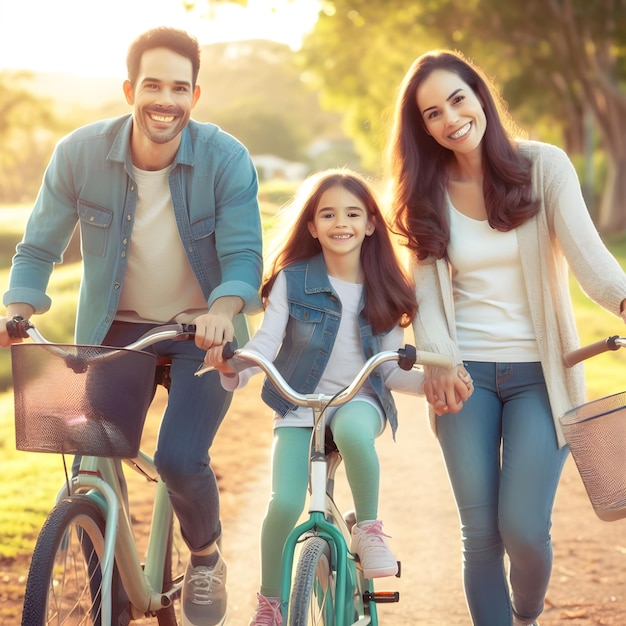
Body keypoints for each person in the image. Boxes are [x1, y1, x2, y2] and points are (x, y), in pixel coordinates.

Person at [0, 27, 263, 626]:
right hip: (116, 330)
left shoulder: (226, 158)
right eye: (152, 85)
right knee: (91, 448)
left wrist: (223, 311)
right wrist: (19, 310)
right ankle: (111, 593)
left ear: (196, 95)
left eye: (178, 87)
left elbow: (246, 255)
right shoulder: (79, 153)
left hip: (201, 332)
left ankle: (204, 555)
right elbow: (38, 246)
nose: (164, 99)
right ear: (129, 89)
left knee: (177, 458)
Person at [385, 48, 626, 626]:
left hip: (542, 377)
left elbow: (592, 262)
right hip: (463, 379)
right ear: (423, 128)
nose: (450, 118)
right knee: (480, 531)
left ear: (480, 95)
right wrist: (438, 362)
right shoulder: (425, 190)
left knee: (523, 527)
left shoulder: (544, 167)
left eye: (457, 99)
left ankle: (525, 615)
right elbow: (425, 296)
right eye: (432, 113)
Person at [204, 168, 448, 626]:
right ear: (312, 226)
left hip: (360, 398)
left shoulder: (386, 287)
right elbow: (264, 344)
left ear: (371, 223)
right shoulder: (290, 282)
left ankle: (369, 531)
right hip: (300, 404)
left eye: (354, 213)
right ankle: (270, 604)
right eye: (329, 214)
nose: (342, 223)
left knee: (353, 430)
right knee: (283, 502)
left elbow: (392, 368)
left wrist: (432, 388)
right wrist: (233, 365)